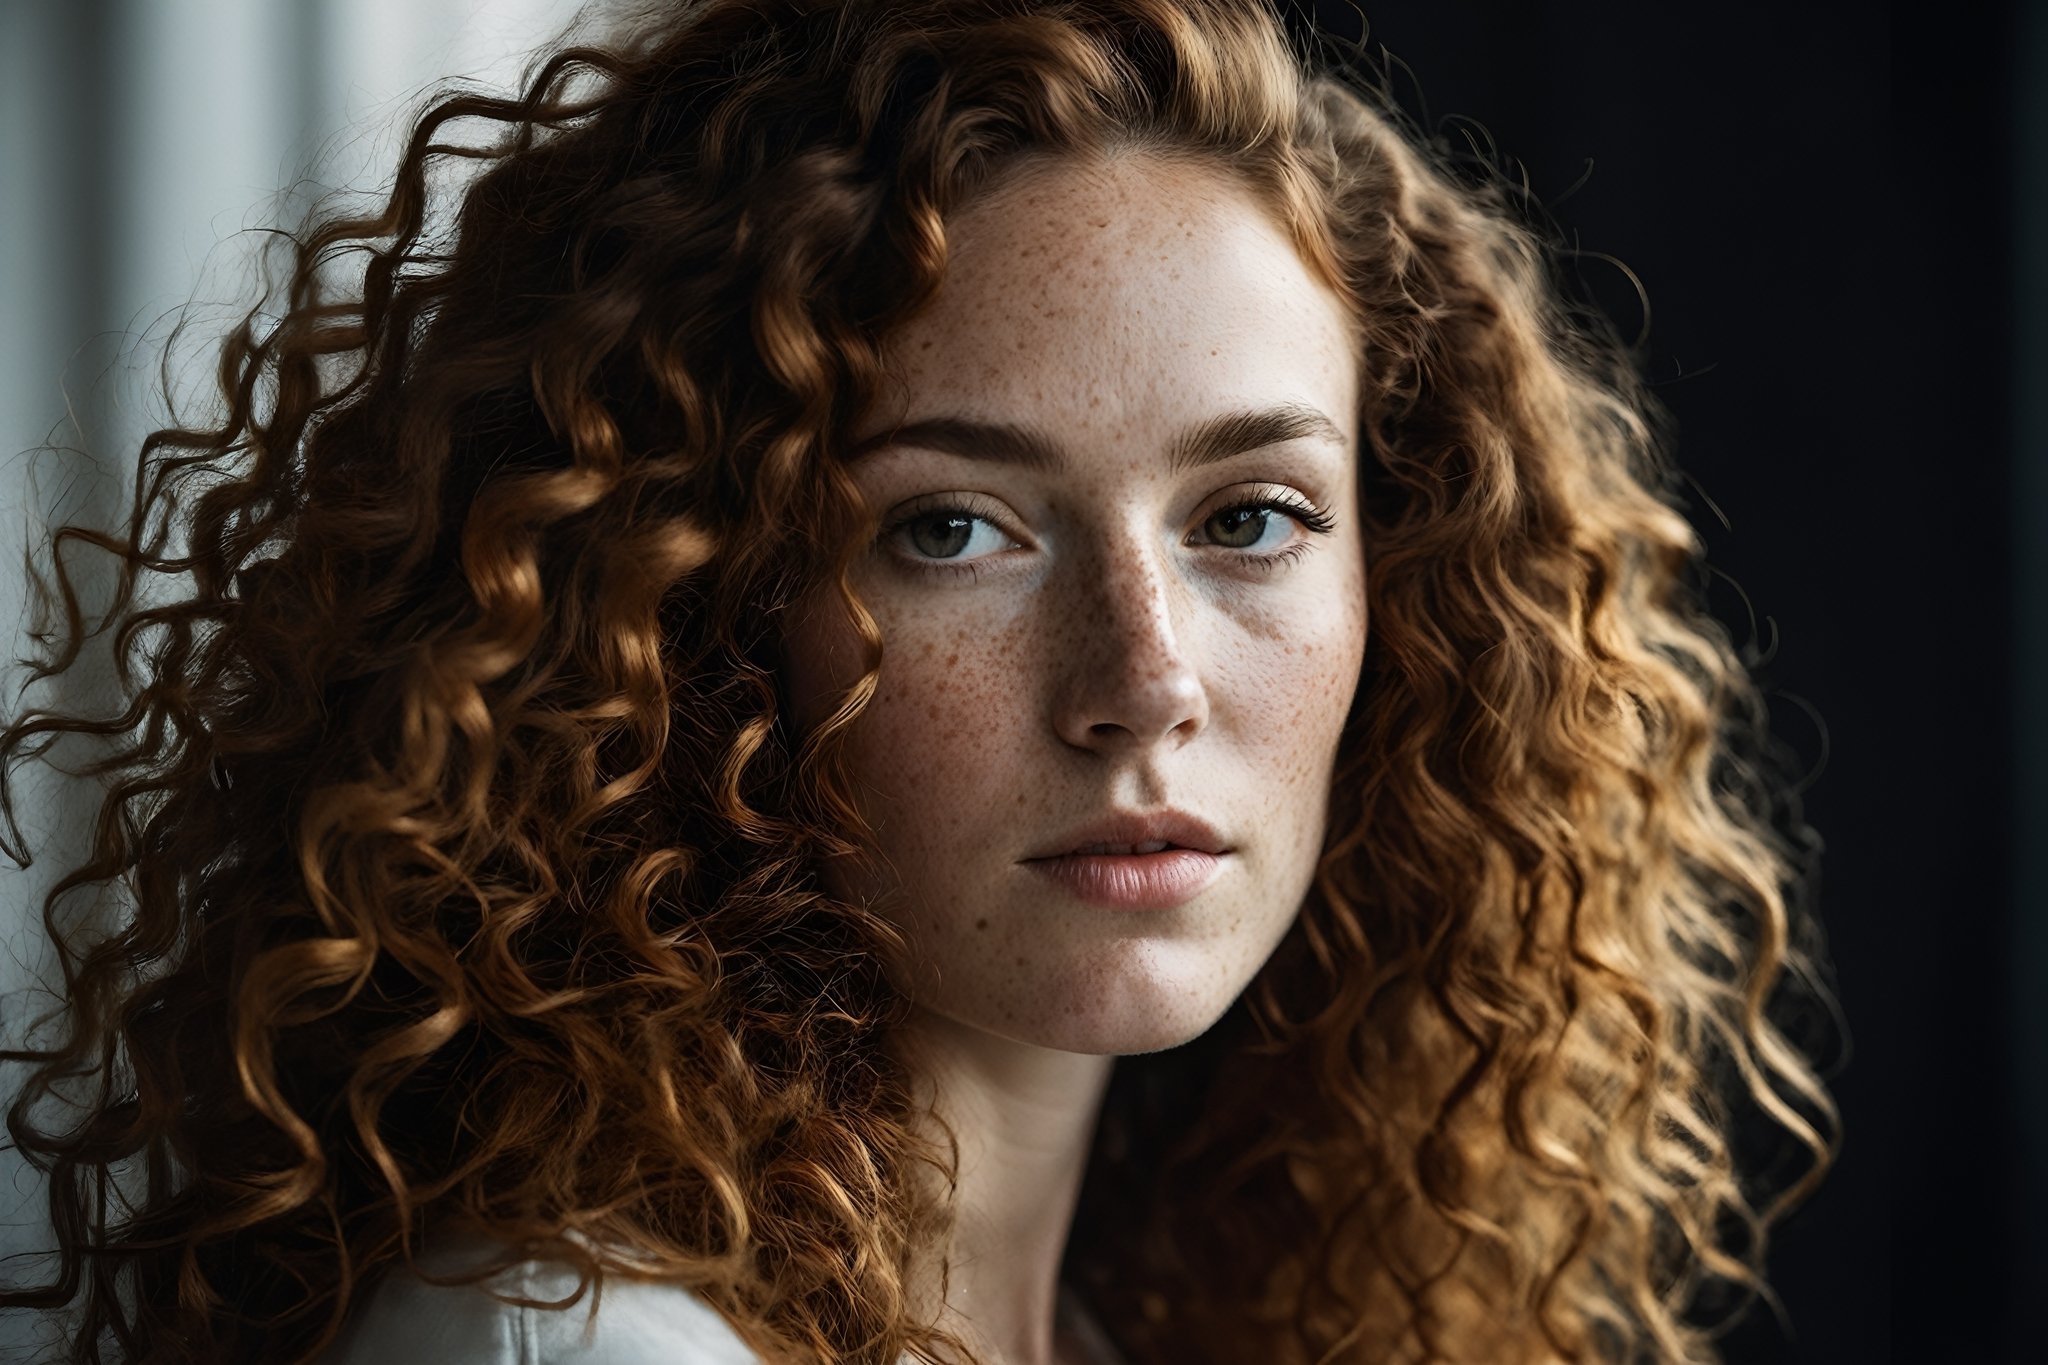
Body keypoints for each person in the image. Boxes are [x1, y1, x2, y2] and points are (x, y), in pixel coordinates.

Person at [0, 1, 1843, 1362]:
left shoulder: (1113, 1330)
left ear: (1408, 581)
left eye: (1255, 517)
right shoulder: (578, 1346)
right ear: (701, 619)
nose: (1143, 682)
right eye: (954, 530)